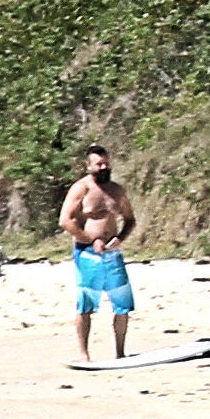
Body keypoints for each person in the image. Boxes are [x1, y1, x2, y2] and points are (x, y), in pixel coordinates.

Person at [62, 145, 136, 360]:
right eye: (99, 164)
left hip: (112, 255)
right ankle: (84, 354)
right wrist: (90, 239)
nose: (103, 167)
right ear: (89, 166)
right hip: (87, 254)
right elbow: (65, 221)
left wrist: (120, 239)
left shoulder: (116, 190)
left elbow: (130, 219)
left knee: (122, 306)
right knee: (86, 305)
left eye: (106, 163)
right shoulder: (81, 188)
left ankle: (120, 353)